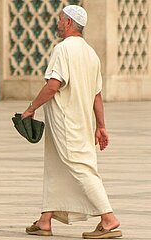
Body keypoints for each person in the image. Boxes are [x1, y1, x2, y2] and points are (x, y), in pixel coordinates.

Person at [21, 5, 122, 239]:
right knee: (57, 166)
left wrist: (30, 108)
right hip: (83, 122)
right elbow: (97, 94)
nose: (56, 23)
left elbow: (53, 85)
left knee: (81, 168)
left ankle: (108, 218)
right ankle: (45, 220)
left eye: (59, 19)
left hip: (66, 122)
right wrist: (101, 126)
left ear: (67, 23)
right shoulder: (90, 53)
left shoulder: (63, 49)